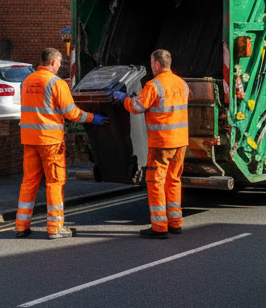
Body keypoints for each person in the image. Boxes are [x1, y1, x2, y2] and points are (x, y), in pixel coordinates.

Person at [17, 48, 106, 239]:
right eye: (59, 63)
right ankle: (55, 228)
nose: (60, 66)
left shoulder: (27, 81)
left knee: (29, 181)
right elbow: (71, 113)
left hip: (29, 139)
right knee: (55, 182)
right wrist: (92, 118)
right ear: (53, 62)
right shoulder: (56, 83)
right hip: (50, 142)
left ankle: (22, 226)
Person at [113, 49, 190, 239]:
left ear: (156, 64)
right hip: (181, 141)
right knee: (173, 181)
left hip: (161, 143)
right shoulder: (182, 83)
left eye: (151, 63)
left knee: (155, 182)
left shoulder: (154, 84)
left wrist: (125, 99)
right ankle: (175, 223)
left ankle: (159, 227)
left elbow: (138, 107)